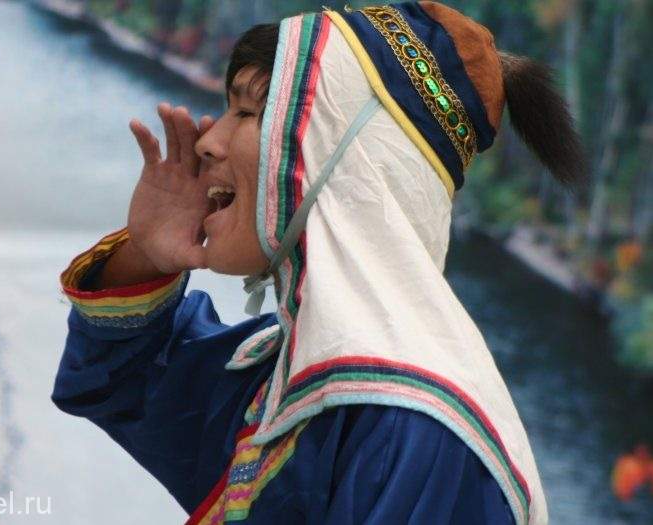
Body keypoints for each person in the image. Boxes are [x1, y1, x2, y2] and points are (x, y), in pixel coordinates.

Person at [52, 3, 586, 523]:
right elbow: (121, 383)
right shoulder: (287, 372)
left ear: (342, 157)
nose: (208, 142)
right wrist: (146, 255)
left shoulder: (410, 429)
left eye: (248, 113)